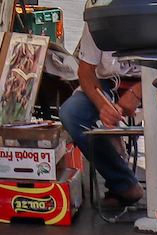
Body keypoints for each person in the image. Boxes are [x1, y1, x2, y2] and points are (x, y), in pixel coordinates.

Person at [59, 12, 144, 208]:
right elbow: (86, 70)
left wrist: (137, 93)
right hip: (109, 84)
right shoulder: (99, 15)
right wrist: (102, 105)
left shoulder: (155, 9)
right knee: (71, 113)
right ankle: (123, 183)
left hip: (152, 81)